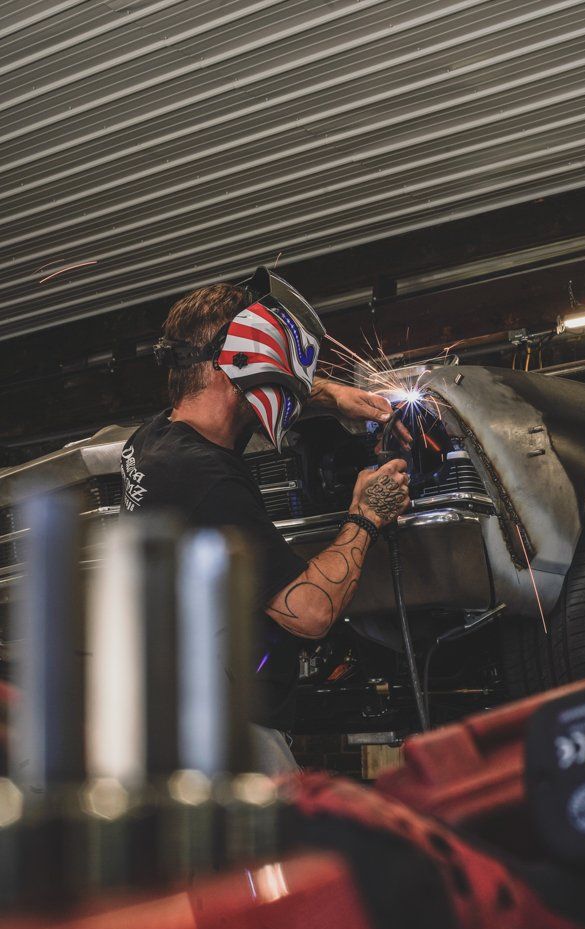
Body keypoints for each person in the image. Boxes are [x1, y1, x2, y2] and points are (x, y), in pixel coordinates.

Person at [121, 267, 410, 774]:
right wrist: (366, 514)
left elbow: (249, 381)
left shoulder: (153, 438)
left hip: (175, 704)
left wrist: (332, 395)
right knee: (289, 828)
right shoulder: (203, 479)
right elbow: (311, 611)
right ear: (239, 363)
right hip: (223, 731)